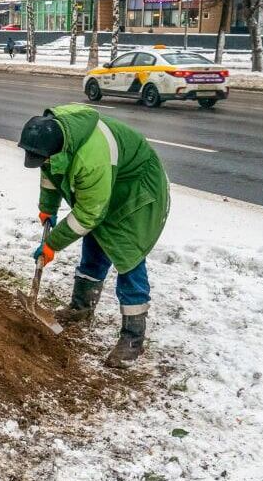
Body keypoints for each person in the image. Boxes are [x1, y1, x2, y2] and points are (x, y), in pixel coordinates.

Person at [18, 104, 170, 369]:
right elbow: (50, 171)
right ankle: (81, 308)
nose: (43, 162)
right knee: (94, 242)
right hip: (105, 185)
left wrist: (52, 245)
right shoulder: (53, 133)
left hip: (135, 191)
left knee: (127, 255)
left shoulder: (92, 158)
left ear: (58, 149)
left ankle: (133, 338)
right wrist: (47, 208)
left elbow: (89, 214)